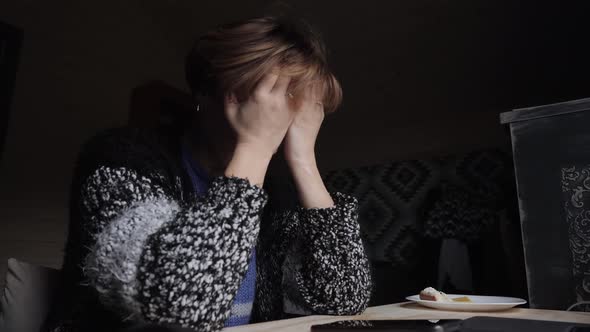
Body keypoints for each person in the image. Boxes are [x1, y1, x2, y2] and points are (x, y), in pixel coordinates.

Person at [49, 15, 371, 332]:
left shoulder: (276, 191)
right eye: (268, 95)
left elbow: (344, 300)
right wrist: (255, 146)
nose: (278, 116)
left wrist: (304, 161)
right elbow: (181, 305)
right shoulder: (122, 160)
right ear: (208, 91)